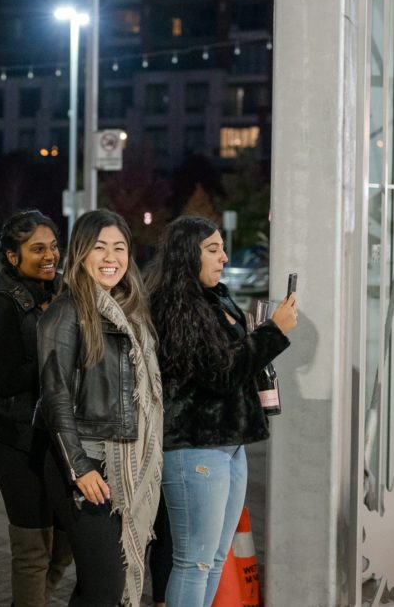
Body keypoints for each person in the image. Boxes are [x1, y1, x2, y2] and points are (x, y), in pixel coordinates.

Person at [145, 216, 297, 607]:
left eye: (222, 248)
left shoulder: (217, 297)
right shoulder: (174, 305)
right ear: (186, 255)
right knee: (194, 562)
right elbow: (221, 373)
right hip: (194, 446)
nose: (224, 257)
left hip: (229, 444)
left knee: (213, 558)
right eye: (212, 250)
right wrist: (273, 333)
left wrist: (259, 334)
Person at [38, 209, 162, 607]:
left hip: (120, 464)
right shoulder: (67, 310)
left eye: (120, 248)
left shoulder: (131, 313)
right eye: (100, 247)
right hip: (88, 463)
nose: (112, 257)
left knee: (100, 584)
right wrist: (79, 466)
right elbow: (54, 395)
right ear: (80, 253)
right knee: (105, 585)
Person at [0, 210, 72, 606]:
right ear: (12, 256)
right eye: (37, 248)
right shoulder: (4, 302)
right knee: (34, 548)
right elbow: (6, 379)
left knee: (69, 538)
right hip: (15, 441)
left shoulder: (58, 291)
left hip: (57, 438)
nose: (49, 255)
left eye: (53, 246)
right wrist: (58, 354)